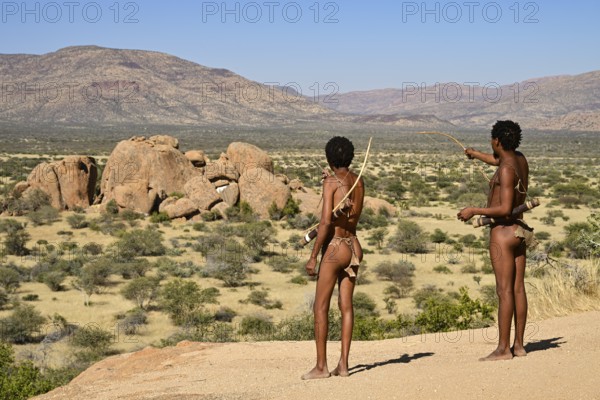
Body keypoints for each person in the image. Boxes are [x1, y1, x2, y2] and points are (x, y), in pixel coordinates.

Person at [458, 120, 532, 361]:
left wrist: (474, 210)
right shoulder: (518, 159)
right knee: (518, 289)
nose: (491, 143)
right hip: (520, 233)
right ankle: (519, 346)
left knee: (504, 291)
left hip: (503, 233)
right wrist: (475, 154)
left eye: (491, 140)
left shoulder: (507, 169)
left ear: (497, 141)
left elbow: (505, 208)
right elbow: (497, 160)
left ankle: (502, 349)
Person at [302, 136, 365, 379]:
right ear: (350, 157)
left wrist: (313, 255)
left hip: (336, 247)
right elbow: (347, 207)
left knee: (320, 307)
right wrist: (330, 182)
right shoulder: (359, 181)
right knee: (346, 306)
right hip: (354, 245)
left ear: (329, 159)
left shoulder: (330, 183)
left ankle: (321, 367)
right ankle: (344, 365)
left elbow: (327, 222)